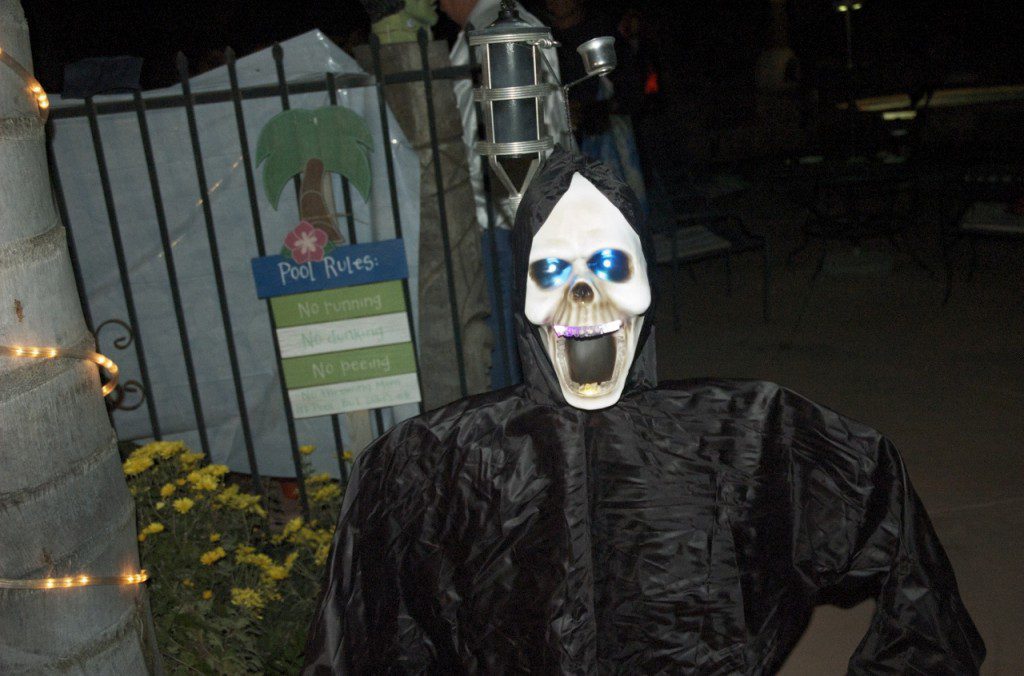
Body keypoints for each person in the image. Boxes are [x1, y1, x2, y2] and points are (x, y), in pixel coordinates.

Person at [302, 150, 984, 673]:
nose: (582, 292)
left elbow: (892, 530)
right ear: (523, 294)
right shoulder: (441, 460)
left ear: (646, 280)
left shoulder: (747, 435)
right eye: (552, 272)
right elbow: (359, 628)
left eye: (608, 263)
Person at [440, 0, 571, 388]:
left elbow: (476, 134)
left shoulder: (494, 31)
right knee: (528, 330)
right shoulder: (499, 25)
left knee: (517, 334)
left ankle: (526, 413)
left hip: (503, 209)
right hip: (520, 204)